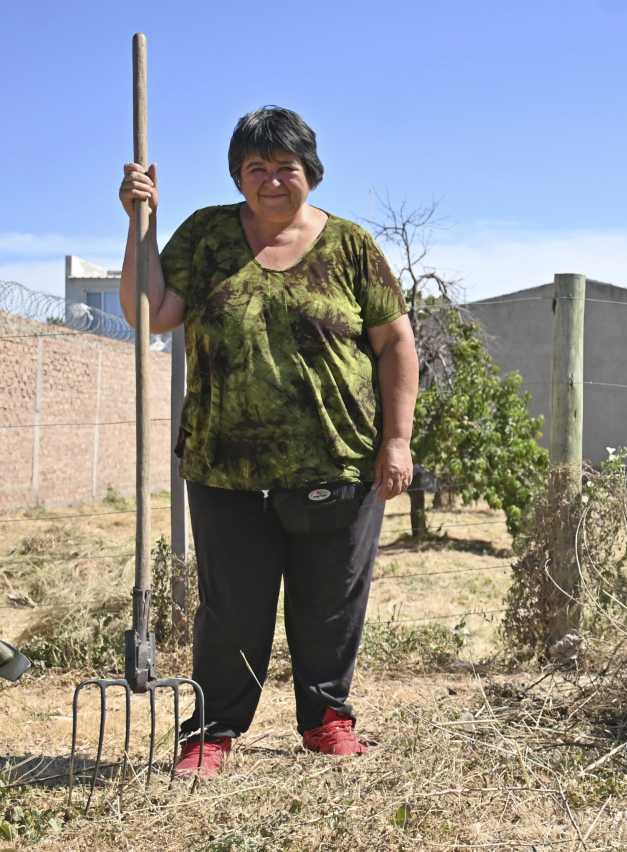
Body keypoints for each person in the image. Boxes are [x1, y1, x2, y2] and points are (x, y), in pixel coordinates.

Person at [117, 106, 419, 778]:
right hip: (225, 465)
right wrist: (140, 224)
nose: (272, 180)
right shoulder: (207, 235)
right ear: (238, 175)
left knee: (331, 600)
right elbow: (149, 313)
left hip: (337, 458)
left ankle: (327, 721)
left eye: (285, 167)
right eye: (257, 168)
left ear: (309, 171)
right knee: (231, 607)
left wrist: (395, 441)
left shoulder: (349, 247)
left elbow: (396, 341)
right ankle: (213, 733)